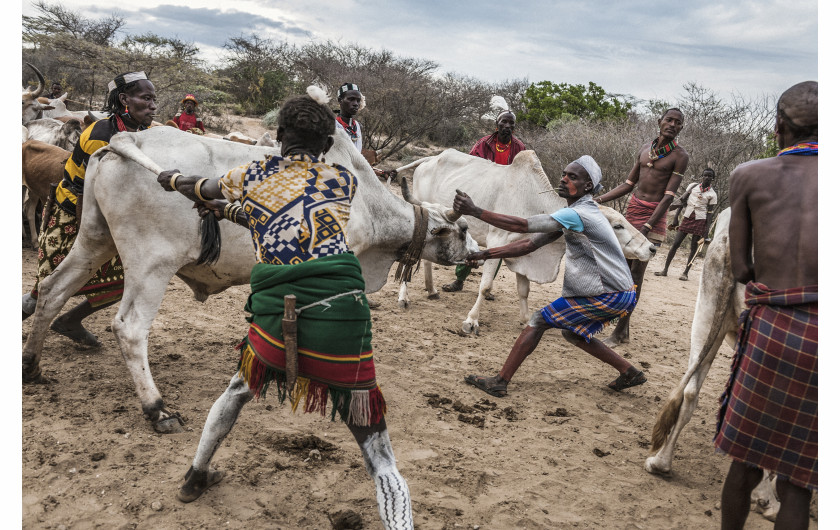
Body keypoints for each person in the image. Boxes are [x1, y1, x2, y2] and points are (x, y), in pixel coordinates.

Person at [156, 87, 413, 529]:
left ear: (278, 135)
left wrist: (177, 181)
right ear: (328, 145)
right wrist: (231, 210)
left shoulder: (254, 174)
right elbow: (296, 212)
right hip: (341, 318)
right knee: (379, 452)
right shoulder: (342, 180)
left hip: (278, 315)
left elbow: (212, 190)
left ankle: (195, 475)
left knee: (239, 388)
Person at [455, 156, 647, 398]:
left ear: (588, 187)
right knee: (572, 332)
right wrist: (486, 253)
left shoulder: (578, 214)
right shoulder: (575, 213)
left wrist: (475, 211)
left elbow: (523, 225)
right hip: (622, 293)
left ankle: (500, 381)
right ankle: (628, 371)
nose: (563, 179)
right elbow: (528, 246)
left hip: (608, 293)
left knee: (538, 320)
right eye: (564, 173)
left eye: (572, 177)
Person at [715, 81, 817, 530]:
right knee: (799, 481)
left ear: (777, 126)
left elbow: (741, 270)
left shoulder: (749, 176)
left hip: (773, 329)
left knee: (745, 462)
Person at [22, 72, 157, 347]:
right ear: (124, 100)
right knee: (47, 288)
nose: (153, 105)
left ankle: (69, 321)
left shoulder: (141, 133)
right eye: (146, 98)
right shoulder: (102, 135)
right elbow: (92, 191)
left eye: (154, 98)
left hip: (108, 220)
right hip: (74, 216)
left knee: (122, 283)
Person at [594, 108, 689, 345]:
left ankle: (621, 332)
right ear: (659, 122)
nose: (672, 124)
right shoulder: (645, 149)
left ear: (681, 128)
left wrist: (646, 227)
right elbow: (628, 185)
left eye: (678, 122)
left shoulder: (679, 156)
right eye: (669, 120)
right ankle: (615, 324)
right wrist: (597, 200)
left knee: (636, 274)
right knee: (621, 268)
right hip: (633, 211)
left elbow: (668, 197)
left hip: (653, 217)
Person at [441, 101, 526, 293]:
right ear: (497, 125)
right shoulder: (484, 143)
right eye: (504, 122)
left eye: (511, 124)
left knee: (497, 243)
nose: (508, 127)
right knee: (471, 237)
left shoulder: (519, 147)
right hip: (483, 195)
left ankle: (486, 286)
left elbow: (521, 174)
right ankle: (460, 279)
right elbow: (472, 167)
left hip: (505, 199)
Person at [654, 168, 718, 280]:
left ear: (713, 178)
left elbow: (709, 214)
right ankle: (665, 270)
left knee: (693, 248)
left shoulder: (712, 194)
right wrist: (675, 218)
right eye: (705, 175)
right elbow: (682, 202)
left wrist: (706, 232)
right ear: (701, 176)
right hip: (687, 217)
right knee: (675, 244)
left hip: (700, 220)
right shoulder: (693, 186)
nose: (707, 177)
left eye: (710, 176)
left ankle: (685, 273)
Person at [335, 82, 363, 151]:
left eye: (358, 100)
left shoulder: (357, 126)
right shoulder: (332, 125)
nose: (356, 104)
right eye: (351, 99)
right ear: (340, 100)